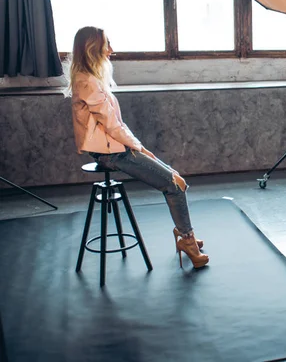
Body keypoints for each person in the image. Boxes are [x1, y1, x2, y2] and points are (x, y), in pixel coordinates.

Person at [65, 26, 208, 268]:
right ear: (92, 49)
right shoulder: (87, 82)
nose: (111, 50)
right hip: (110, 153)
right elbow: (112, 126)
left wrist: (138, 148)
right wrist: (139, 149)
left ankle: (183, 233)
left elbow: (116, 124)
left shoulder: (90, 79)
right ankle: (187, 240)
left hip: (116, 148)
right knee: (174, 185)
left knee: (177, 181)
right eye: (106, 44)